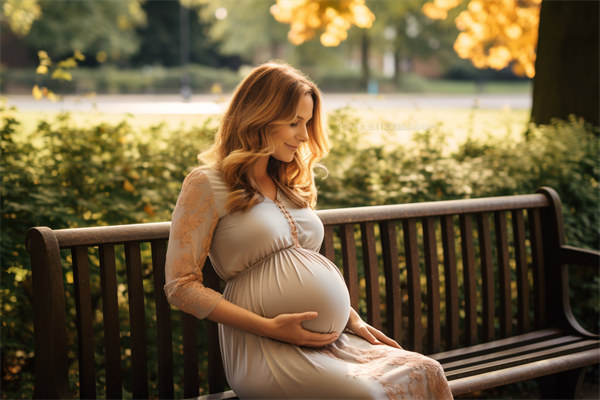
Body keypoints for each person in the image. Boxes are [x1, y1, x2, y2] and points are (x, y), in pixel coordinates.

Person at [164, 61, 452, 399]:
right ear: (259, 117)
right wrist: (271, 327)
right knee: (367, 396)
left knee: (427, 370)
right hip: (266, 348)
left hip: (334, 341)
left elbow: (306, 270)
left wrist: (350, 319)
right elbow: (180, 286)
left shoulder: (288, 184)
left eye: (307, 123)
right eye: (294, 123)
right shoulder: (207, 183)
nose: (304, 135)